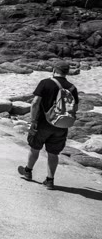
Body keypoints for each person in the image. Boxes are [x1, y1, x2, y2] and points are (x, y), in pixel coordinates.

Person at [18, 60, 79, 189]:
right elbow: (75, 108)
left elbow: (35, 102)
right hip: (61, 125)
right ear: (67, 72)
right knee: (53, 153)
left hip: (42, 123)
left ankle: (28, 171)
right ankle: (50, 180)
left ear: (54, 70)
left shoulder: (45, 83)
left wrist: (33, 120)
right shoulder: (72, 88)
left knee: (35, 148)